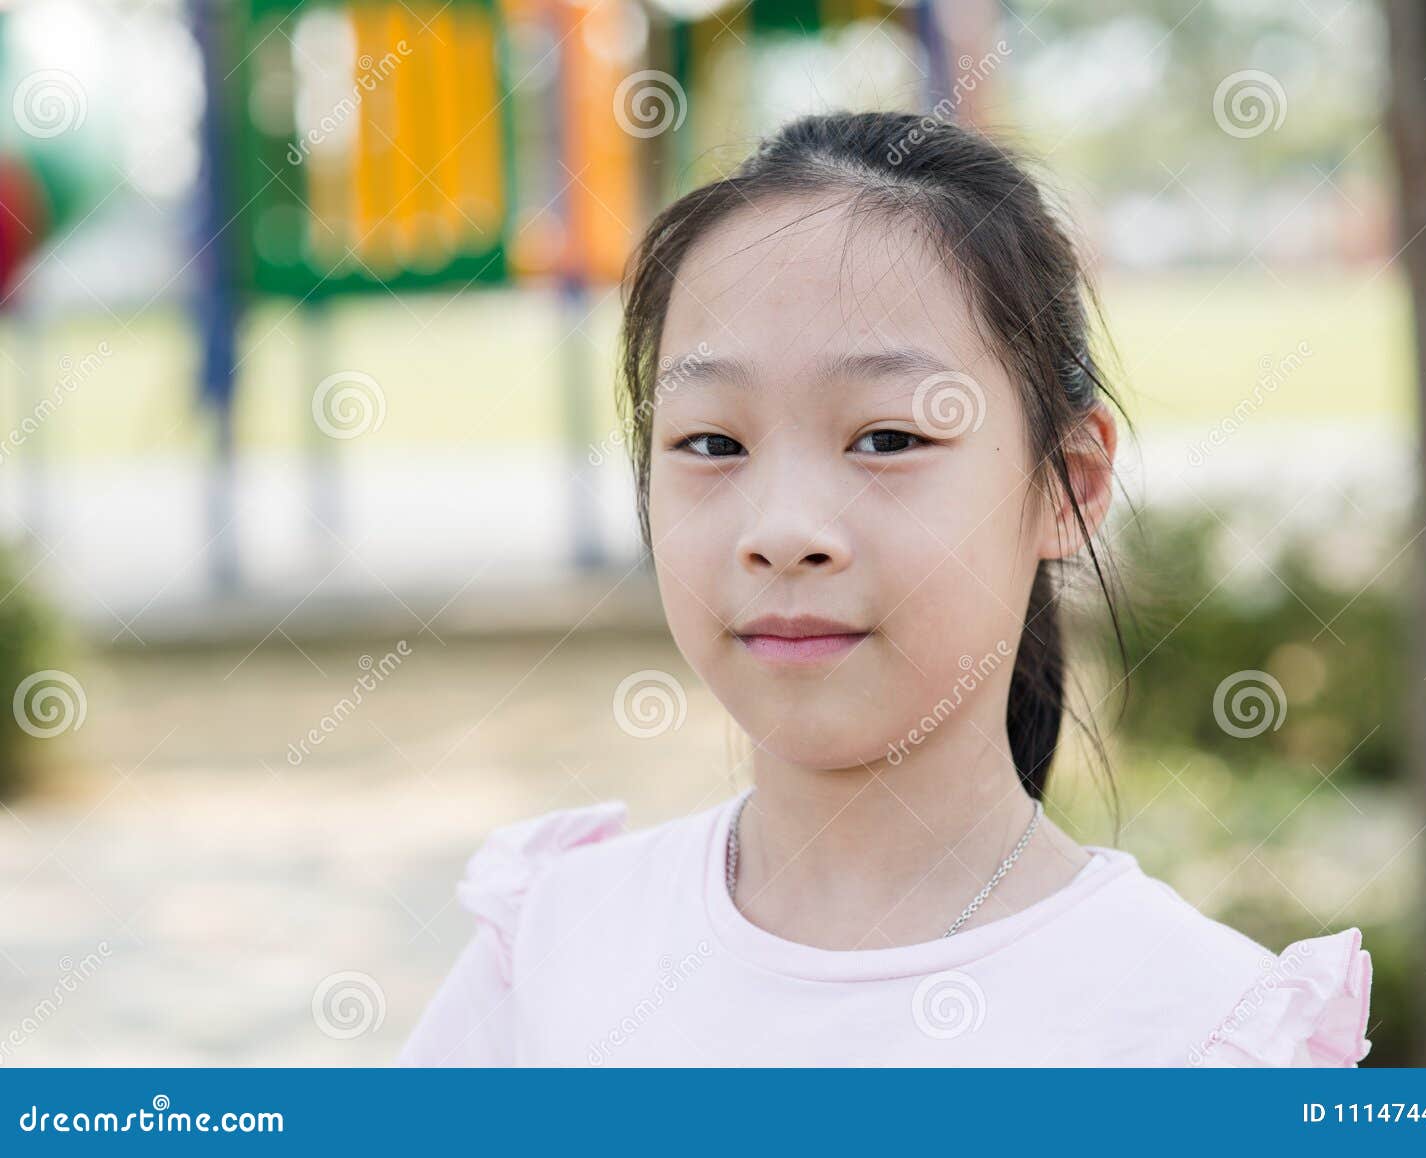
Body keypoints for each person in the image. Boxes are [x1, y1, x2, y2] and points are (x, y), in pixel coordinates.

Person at [397, 109, 1372, 1067]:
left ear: (1067, 486)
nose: (783, 532)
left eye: (888, 439)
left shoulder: (1202, 1035)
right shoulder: (556, 951)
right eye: (710, 442)